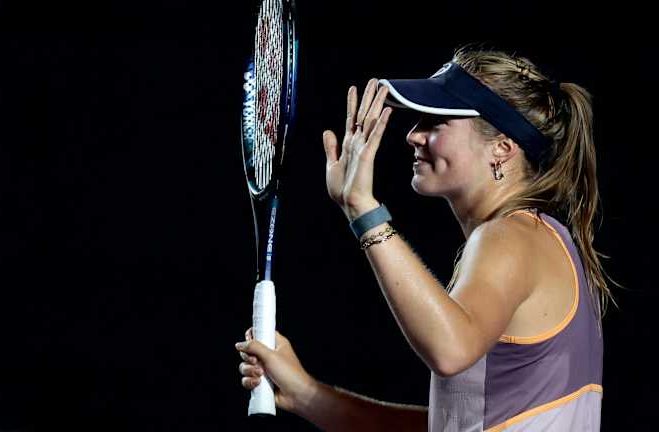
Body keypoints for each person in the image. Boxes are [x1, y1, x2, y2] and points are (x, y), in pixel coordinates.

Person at [235, 46, 612, 431]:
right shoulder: (536, 238)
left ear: (502, 148)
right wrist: (307, 394)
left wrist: (363, 209)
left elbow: (450, 350)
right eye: (418, 121)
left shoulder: (513, 236)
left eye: (437, 121)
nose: (413, 135)